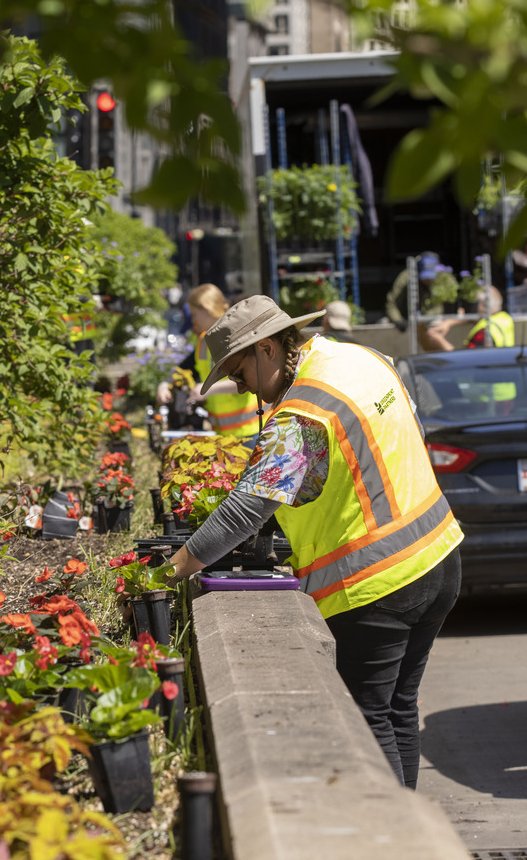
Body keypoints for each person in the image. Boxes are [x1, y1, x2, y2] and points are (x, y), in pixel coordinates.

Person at [167, 295, 463, 789]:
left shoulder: (304, 409)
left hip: (377, 584)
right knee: (399, 711)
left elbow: (247, 507)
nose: (241, 389)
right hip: (438, 556)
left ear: (266, 348)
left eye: (239, 373)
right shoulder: (362, 358)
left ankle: (390, 844)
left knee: (369, 724)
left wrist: (171, 569)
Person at [156, 283, 260, 438]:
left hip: (251, 430)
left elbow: (250, 378)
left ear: (206, 309)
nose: (193, 321)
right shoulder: (204, 342)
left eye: (194, 314)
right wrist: (165, 383)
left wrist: (208, 388)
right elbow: (185, 367)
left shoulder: (236, 335)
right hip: (223, 432)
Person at [427, 286, 514, 351]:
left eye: (474, 304)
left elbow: (466, 361)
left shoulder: (483, 332)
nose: (470, 309)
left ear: (484, 306)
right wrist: (448, 323)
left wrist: (441, 342)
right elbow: (475, 317)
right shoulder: (505, 318)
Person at [383, 251, 451, 332]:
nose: (427, 280)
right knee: (384, 323)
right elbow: (391, 303)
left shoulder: (444, 278)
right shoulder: (406, 277)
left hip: (433, 320)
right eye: (425, 277)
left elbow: (455, 300)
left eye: (431, 277)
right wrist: (398, 320)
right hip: (407, 320)